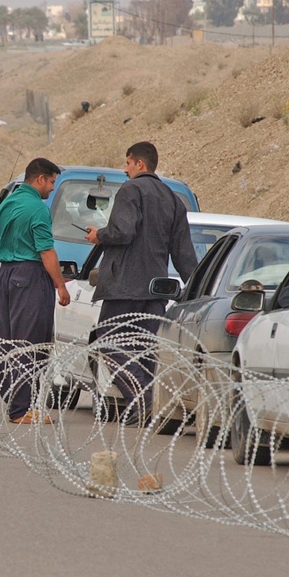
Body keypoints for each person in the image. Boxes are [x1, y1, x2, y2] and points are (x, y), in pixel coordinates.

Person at [84, 141, 198, 426]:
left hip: (124, 285)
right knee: (145, 350)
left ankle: (144, 399)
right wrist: (197, 287)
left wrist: (101, 234)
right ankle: (153, 405)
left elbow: (123, 231)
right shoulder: (173, 199)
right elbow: (184, 253)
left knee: (109, 343)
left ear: (140, 164)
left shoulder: (131, 190)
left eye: (127, 163)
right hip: (156, 290)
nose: (124, 170)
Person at [0, 157, 70, 424]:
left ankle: (14, 400)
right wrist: (60, 285)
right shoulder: (37, 208)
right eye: (51, 182)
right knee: (30, 342)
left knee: (8, 342)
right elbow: (46, 250)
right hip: (29, 274)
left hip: (5, 275)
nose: (51, 189)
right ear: (40, 179)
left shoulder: (7, 203)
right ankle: (21, 409)